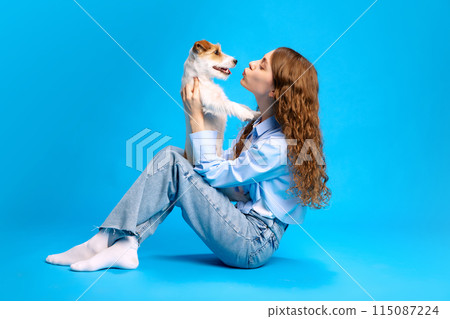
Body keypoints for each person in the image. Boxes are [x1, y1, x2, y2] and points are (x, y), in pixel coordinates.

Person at [45, 47, 331, 271]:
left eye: (263, 64)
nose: (253, 63)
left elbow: (215, 174)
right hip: (240, 224)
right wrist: (230, 179)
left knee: (173, 162)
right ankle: (125, 243)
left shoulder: (278, 145)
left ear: (274, 90)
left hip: (251, 243)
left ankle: (103, 242)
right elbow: (219, 174)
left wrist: (194, 113)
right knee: (173, 156)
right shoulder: (257, 129)